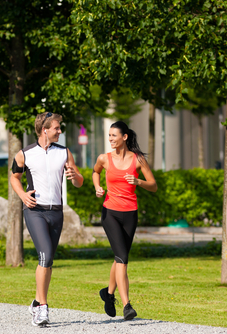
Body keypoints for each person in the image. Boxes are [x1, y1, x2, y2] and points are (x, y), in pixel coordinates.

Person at [10, 112, 83, 327]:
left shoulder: (64, 152)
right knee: (45, 256)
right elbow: (15, 177)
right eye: (57, 128)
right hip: (35, 211)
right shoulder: (25, 154)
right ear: (45, 130)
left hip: (56, 212)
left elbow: (79, 181)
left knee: (48, 260)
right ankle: (42, 308)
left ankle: (36, 302)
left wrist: (75, 177)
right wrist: (23, 195)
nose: (60, 131)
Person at [92, 120, 157, 321]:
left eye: (114, 135)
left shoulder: (137, 160)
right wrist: (97, 187)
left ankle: (108, 294)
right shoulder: (104, 158)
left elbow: (153, 185)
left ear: (125, 137)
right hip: (110, 212)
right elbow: (96, 172)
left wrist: (139, 182)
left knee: (120, 258)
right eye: (109, 136)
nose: (110, 139)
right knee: (122, 258)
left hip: (130, 214)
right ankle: (127, 305)